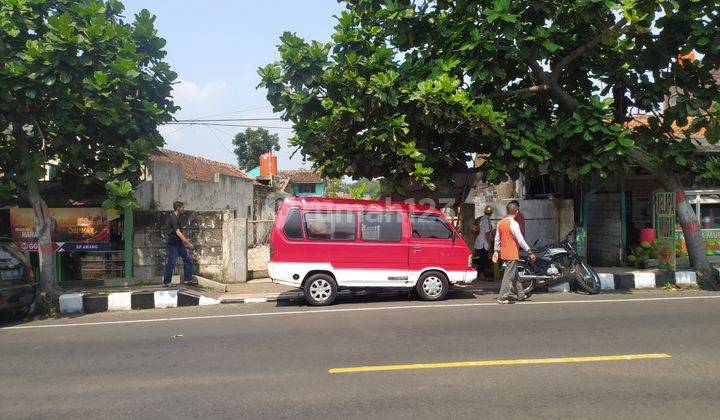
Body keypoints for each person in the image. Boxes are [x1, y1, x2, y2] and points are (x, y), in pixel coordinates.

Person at [492, 201, 535, 304]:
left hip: (504, 253)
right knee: (509, 276)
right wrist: (529, 252)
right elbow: (520, 240)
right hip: (512, 253)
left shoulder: (501, 222)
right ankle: (502, 297)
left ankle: (520, 294)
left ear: (507, 211)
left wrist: (496, 251)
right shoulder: (514, 224)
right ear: (516, 211)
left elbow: (497, 238)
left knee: (514, 274)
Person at [163, 201, 195, 287]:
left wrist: (184, 241)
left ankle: (187, 280)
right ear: (178, 208)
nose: (183, 209)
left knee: (187, 259)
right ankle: (167, 282)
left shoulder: (178, 217)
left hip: (179, 244)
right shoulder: (173, 218)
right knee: (172, 262)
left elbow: (181, 231)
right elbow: (178, 232)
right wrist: (188, 243)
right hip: (173, 244)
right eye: (182, 207)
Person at [472, 205, 494, 279]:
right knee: (483, 259)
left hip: (479, 241)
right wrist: (490, 243)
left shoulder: (481, 218)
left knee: (481, 259)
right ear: (491, 213)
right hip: (484, 243)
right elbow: (487, 233)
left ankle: (480, 274)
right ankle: (481, 275)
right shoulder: (486, 220)